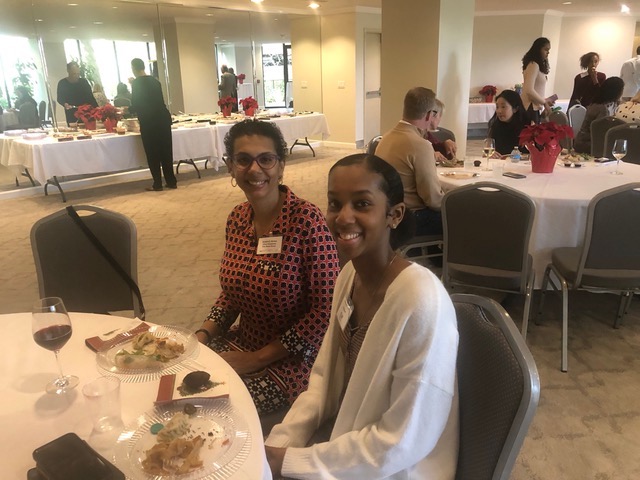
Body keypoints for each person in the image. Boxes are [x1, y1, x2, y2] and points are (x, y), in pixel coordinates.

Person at [264, 153, 459, 479]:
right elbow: (323, 382)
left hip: (395, 468)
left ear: (394, 214)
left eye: (362, 204)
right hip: (345, 442)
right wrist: (278, 446)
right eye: (335, 203)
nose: (343, 217)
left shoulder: (422, 301)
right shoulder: (348, 277)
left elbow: (404, 440)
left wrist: (291, 461)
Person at [195, 119, 340, 415]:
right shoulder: (237, 218)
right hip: (244, 342)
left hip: (296, 360)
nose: (254, 169)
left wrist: (258, 359)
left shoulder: (306, 222)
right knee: (179, 374)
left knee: (214, 405)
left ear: (281, 166)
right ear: (231, 167)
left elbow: (326, 311)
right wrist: (202, 335)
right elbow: (232, 294)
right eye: (243, 160)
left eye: (266, 159)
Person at [375, 87, 444, 236]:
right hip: (411, 218)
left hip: (387, 213)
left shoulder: (385, 138)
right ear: (429, 115)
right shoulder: (420, 145)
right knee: (463, 215)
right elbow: (433, 200)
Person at [129, 57, 177, 191]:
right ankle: (171, 181)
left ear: (133, 68)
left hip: (149, 121)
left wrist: (126, 110)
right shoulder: (155, 81)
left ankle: (157, 183)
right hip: (163, 119)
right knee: (166, 151)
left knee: (152, 153)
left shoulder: (136, 83)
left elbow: (137, 104)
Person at [573, 76, 624, 154]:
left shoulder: (595, 103)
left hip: (580, 141)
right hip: (588, 144)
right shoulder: (602, 109)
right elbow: (600, 133)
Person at [521, 37, 555, 123]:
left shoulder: (536, 65)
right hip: (529, 107)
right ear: (538, 49)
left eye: (549, 50)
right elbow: (529, 90)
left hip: (534, 106)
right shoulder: (533, 65)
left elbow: (536, 89)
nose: (548, 52)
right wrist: (544, 102)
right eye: (546, 49)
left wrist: (545, 101)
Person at [488, 89, 530, 156]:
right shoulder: (496, 126)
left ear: (515, 109)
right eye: (497, 107)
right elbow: (489, 149)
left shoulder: (527, 127)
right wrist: (492, 154)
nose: (499, 111)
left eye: (503, 107)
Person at [56, 61, 98, 126]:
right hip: (71, 114)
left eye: (78, 74)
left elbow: (91, 98)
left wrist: (97, 109)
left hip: (86, 113)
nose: (76, 76)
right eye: (74, 74)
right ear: (68, 71)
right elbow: (60, 98)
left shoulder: (84, 82)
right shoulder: (62, 83)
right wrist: (65, 104)